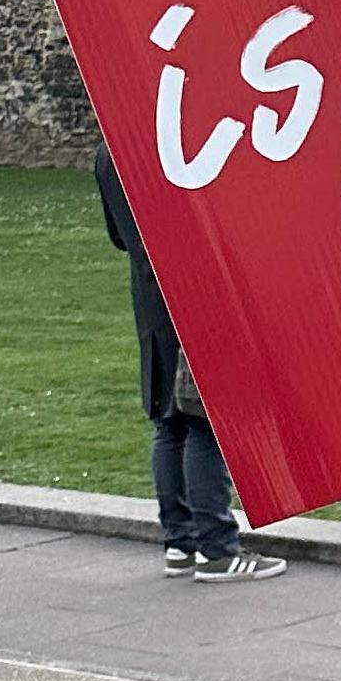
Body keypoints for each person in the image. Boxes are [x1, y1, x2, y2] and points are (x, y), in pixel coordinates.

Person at [93, 141, 285, 583]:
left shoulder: (109, 152)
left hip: (150, 297)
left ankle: (180, 541)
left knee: (170, 420)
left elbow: (120, 236)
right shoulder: (168, 135)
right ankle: (215, 546)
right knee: (202, 420)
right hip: (193, 294)